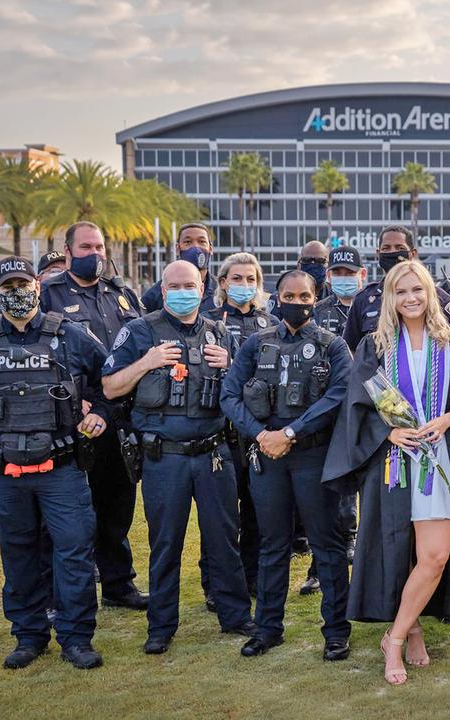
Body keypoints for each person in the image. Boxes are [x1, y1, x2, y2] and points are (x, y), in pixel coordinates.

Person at [0, 256, 110, 670]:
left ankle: (76, 639)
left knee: (73, 554)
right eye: (9, 286)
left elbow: (110, 381)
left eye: (24, 284)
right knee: (17, 554)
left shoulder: (71, 336)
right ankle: (29, 636)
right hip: (4, 471)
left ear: (37, 286)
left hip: (62, 468)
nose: (18, 292)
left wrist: (101, 412)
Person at [323, 259, 450, 685]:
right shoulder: (375, 346)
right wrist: (387, 432)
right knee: (398, 550)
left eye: (418, 289)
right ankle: (411, 632)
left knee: (434, 556)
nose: (411, 298)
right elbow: (358, 404)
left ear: (431, 293)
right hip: (392, 458)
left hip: (439, 457)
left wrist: (449, 419)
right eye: (401, 291)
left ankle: (393, 636)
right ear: (390, 297)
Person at [102, 260, 255, 654]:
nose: (184, 291)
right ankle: (161, 627)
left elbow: (247, 391)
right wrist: (147, 362)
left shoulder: (219, 332)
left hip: (214, 454)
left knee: (224, 539)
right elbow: (110, 387)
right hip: (164, 457)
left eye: (191, 285)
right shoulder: (139, 331)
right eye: (176, 285)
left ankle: (235, 616)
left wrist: (231, 365)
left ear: (203, 288)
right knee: (166, 543)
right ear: (163, 288)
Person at [221, 270, 353, 661]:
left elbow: (338, 395)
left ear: (316, 297)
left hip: (313, 456)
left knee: (327, 545)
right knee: (272, 545)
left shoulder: (332, 346)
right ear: (276, 298)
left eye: (304, 296)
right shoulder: (255, 344)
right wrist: (261, 435)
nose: (297, 303)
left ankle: (336, 631)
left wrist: (291, 432)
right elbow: (230, 396)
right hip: (268, 456)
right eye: (289, 296)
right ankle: (268, 628)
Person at [40, 221, 148, 611]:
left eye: (100, 247)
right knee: (67, 514)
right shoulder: (49, 295)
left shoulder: (121, 295)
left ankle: (118, 584)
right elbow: (36, 354)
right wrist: (75, 402)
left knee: (117, 505)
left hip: (118, 417)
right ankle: (63, 593)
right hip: (74, 419)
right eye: (86, 247)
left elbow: (140, 346)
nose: (95, 254)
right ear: (68, 252)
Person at [199, 252, 274, 609]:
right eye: (237, 278)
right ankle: (215, 582)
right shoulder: (207, 321)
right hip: (221, 432)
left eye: (251, 279)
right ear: (223, 282)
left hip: (258, 432)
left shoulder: (270, 323)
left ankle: (252, 576)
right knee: (220, 516)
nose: (244, 285)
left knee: (257, 510)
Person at [308, 244, 367, 586]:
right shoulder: (317, 311)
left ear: (362, 275)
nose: (344, 278)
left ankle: (360, 550)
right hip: (330, 406)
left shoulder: (376, 306)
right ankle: (320, 565)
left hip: (370, 406)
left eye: (350, 273)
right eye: (338, 273)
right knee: (331, 487)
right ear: (329, 277)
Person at [342, 225, 450, 351]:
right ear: (378, 254)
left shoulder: (438, 296)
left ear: (413, 254)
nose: (393, 252)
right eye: (386, 248)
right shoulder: (364, 299)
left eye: (400, 248)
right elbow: (351, 349)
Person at [141, 223, 219, 314]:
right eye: (188, 242)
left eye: (201, 242)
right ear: (178, 249)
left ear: (210, 248)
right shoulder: (157, 293)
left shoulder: (221, 290)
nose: (195, 247)